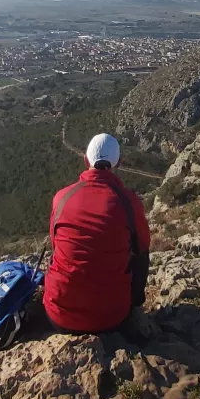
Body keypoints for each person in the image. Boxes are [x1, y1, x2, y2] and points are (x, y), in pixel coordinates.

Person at [43, 133, 151, 334]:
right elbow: (142, 250)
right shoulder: (129, 203)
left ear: (86, 160)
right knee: (139, 255)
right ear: (118, 162)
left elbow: (56, 246)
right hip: (112, 317)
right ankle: (135, 307)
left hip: (59, 316)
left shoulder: (62, 197)